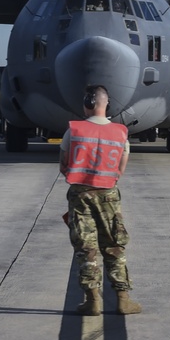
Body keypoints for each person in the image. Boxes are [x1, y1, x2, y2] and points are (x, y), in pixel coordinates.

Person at [60, 85, 142, 316]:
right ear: (108, 105)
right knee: (114, 245)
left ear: (87, 103)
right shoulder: (120, 132)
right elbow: (121, 169)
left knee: (86, 247)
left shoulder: (73, 130)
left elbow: (63, 165)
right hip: (108, 194)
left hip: (80, 194)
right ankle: (123, 300)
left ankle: (93, 300)